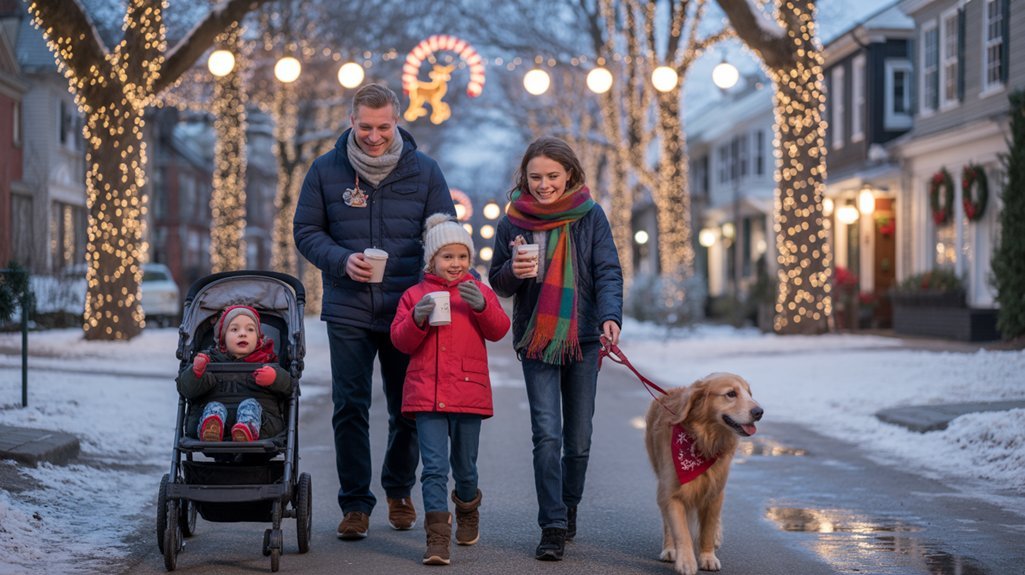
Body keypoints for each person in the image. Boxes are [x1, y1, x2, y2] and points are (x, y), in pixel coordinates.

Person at [293, 83, 456, 540]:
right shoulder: (326, 170)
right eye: (365, 127)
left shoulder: (425, 171)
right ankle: (355, 504)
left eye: (383, 127)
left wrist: (438, 279)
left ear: (396, 121)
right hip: (348, 307)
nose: (374, 136)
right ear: (351, 121)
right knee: (350, 406)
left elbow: (444, 232)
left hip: (408, 309)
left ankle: (399, 490)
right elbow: (306, 231)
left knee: (408, 407)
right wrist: (342, 260)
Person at [488, 136, 623, 561]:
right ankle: (552, 524)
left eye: (552, 176)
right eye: (535, 177)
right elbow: (498, 283)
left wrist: (610, 315)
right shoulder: (513, 222)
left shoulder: (591, 215)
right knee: (546, 434)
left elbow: (607, 270)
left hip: (584, 338)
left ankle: (569, 504)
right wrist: (514, 270)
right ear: (524, 178)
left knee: (578, 439)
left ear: (569, 174)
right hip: (537, 339)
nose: (544, 184)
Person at [390, 214, 510, 565]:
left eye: (462, 256)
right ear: (432, 260)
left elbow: (499, 330)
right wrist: (416, 318)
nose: (455, 263)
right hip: (426, 394)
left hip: (468, 392)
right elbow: (400, 341)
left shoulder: (478, 291)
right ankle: (437, 538)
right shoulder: (414, 295)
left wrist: (482, 306)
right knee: (433, 468)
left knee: (465, 467)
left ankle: (468, 508)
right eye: (447, 256)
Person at [176, 305, 292, 442]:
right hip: (216, 422)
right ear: (223, 338)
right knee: (214, 408)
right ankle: (212, 428)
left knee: (250, 406)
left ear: (258, 338)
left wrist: (275, 378)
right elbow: (186, 389)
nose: (242, 334)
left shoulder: (268, 361)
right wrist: (196, 373)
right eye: (234, 329)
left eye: (250, 329)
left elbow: (289, 387)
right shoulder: (209, 360)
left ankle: (247, 428)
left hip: (262, 425)